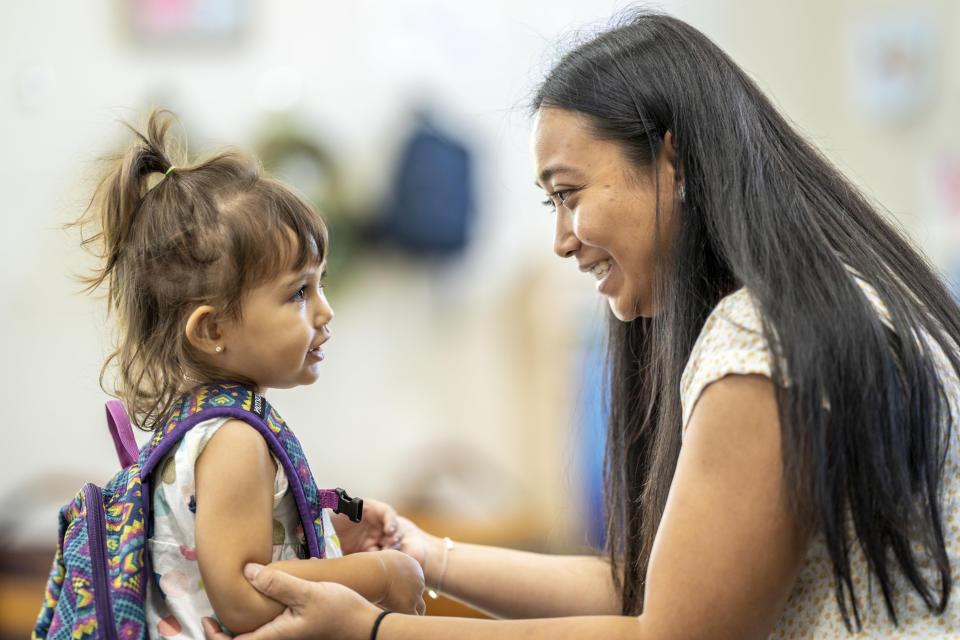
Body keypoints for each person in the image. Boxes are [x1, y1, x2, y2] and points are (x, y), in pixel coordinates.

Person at [203, 10, 960, 639]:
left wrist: (370, 631)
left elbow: (664, 633)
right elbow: (644, 590)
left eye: (569, 194)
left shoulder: (760, 345)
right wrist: (429, 555)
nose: (561, 238)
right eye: (549, 204)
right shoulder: (822, 301)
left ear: (674, 159)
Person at [77, 110, 426, 639]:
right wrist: (382, 573)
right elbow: (244, 596)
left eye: (320, 284)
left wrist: (325, 533)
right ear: (212, 327)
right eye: (298, 293)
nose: (325, 311)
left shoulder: (199, 422)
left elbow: (220, 552)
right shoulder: (235, 439)